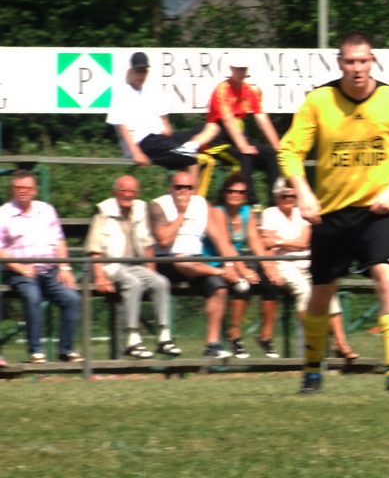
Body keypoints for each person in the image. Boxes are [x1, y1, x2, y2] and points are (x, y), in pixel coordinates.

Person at [278, 30, 389, 395]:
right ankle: (313, 369)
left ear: (372, 61)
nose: (357, 68)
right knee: (321, 294)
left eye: (363, 60)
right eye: (350, 61)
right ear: (339, 63)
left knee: (388, 278)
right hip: (331, 213)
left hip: (377, 211)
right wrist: (304, 194)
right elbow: (290, 151)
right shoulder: (319, 100)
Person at [258, 177, 357, 360]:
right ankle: (315, 344)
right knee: (305, 293)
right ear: (276, 197)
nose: (289, 199)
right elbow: (266, 243)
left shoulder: (302, 212)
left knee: (329, 294)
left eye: (292, 196)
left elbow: (303, 242)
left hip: (308, 263)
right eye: (284, 196)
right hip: (284, 265)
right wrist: (285, 248)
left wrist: (278, 242)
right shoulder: (269, 214)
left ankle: (340, 342)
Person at [84, 175, 179, 359]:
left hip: (134, 264)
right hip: (109, 265)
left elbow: (148, 244)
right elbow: (94, 248)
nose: (127, 194)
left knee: (161, 282)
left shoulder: (141, 209)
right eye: (123, 190)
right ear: (115, 192)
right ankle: (132, 339)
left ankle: (164, 336)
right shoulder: (103, 211)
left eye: (131, 191)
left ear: (137, 193)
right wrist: (100, 277)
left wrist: (151, 272)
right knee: (133, 283)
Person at [0, 170, 82, 363]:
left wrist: (64, 267)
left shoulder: (46, 210)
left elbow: (59, 241)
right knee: (32, 297)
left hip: (50, 270)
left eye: (27, 187)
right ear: (12, 189)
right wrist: (19, 267)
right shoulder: (3, 213)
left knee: (72, 298)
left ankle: (66, 350)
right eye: (19, 187)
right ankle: (35, 351)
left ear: (34, 190)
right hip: (20, 272)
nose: (23, 191)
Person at [149, 171, 232, 359]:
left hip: (195, 262)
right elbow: (163, 241)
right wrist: (181, 213)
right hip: (167, 261)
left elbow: (218, 237)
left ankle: (212, 344)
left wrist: (230, 264)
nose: (183, 191)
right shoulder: (158, 205)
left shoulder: (201, 203)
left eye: (188, 187)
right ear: (171, 188)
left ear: (193, 189)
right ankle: (216, 271)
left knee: (219, 288)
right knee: (182, 260)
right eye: (179, 187)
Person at [204, 172, 286, 358]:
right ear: (224, 193)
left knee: (271, 283)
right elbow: (225, 244)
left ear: (245, 195)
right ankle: (233, 333)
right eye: (231, 191)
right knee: (244, 284)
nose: (235, 195)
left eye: (240, 192)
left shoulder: (247, 212)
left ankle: (265, 336)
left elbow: (255, 241)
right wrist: (243, 270)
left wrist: (269, 267)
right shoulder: (218, 212)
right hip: (218, 259)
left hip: (236, 259)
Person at [189, 62, 281, 206]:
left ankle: (275, 202)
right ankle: (250, 201)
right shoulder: (222, 89)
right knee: (246, 155)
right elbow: (228, 120)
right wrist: (243, 146)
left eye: (243, 69)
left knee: (270, 154)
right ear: (231, 69)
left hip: (239, 137)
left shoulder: (249, 90)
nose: (241, 72)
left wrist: (277, 147)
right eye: (238, 69)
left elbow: (263, 120)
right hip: (218, 140)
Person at [106, 51, 202, 177]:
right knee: (189, 155)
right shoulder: (122, 94)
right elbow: (121, 127)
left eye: (144, 71)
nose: (141, 75)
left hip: (160, 139)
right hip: (143, 141)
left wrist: (166, 127)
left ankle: (187, 172)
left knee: (202, 131)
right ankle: (186, 185)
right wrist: (135, 152)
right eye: (138, 71)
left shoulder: (151, 91)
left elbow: (164, 118)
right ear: (131, 71)